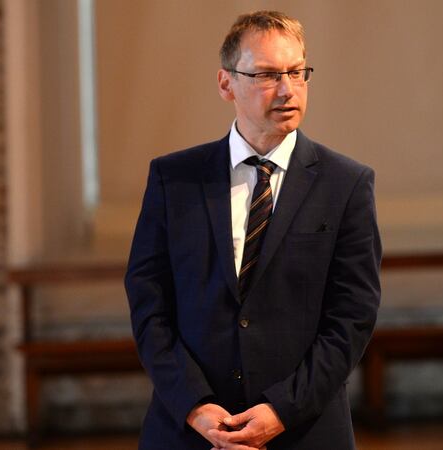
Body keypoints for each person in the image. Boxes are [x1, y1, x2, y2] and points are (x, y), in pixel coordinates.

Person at [125, 10, 381, 450]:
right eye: (267, 75)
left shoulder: (347, 184)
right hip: (189, 432)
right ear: (226, 83)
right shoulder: (175, 179)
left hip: (304, 431)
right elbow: (149, 305)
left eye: (297, 72)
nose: (287, 89)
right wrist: (195, 406)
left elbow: (351, 319)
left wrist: (281, 410)